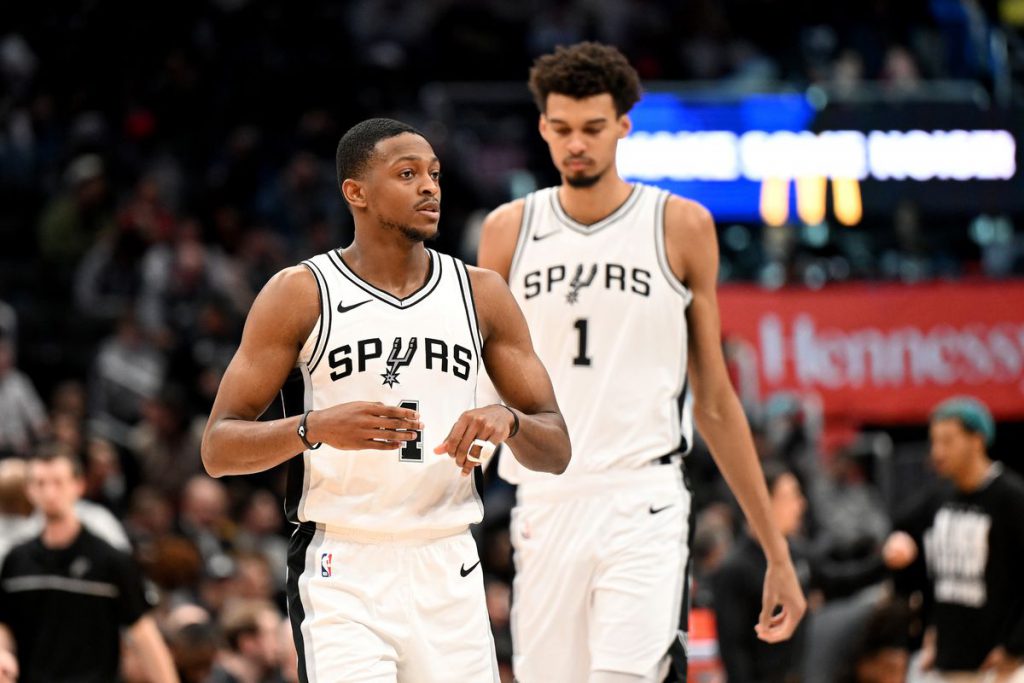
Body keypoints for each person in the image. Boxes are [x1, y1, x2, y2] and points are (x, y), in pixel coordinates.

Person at [477, 42, 805, 682]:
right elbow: (477, 384)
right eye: (562, 129)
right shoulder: (507, 230)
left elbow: (715, 401)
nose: (577, 144)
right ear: (542, 127)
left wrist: (776, 550)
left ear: (623, 125)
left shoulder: (679, 225)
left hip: (643, 501)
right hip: (543, 500)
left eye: (593, 128)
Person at [201, 117, 570, 683]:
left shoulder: (481, 294)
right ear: (357, 192)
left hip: (449, 561)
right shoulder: (301, 292)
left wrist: (510, 421)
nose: (429, 187)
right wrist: (313, 427)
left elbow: (557, 447)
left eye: (434, 174)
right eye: (407, 174)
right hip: (342, 566)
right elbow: (218, 448)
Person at [0, 446, 178, 683]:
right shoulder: (16, 561)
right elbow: (5, 623)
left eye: (58, 482)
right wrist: (3, 653)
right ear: (29, 490)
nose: (50, 493)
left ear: (78, 485)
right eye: (40, 483)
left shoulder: (110, 561)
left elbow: (144, 634)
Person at [883, 397, 1024, 681]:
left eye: (948, 441)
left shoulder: (1011, 497)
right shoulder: (939, 497)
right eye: (934, 441)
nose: (938, 451)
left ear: (977, 440)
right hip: (947, 658)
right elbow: (907, 547)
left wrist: (1015, 646)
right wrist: (899, 544)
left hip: (999, 664)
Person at [711, 463, 809, 683]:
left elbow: (835, 578)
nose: (801, 504)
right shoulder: (734, 569)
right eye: (791, 496)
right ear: (765, 503)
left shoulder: (798, 552)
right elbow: (733, 649)